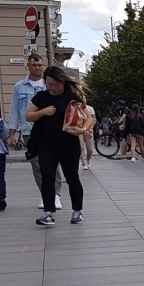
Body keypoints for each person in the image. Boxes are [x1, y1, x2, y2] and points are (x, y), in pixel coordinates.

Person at [26, 65, 87, 226]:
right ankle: (49, 213)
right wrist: (42, 112)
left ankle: (77, 211)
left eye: (56, 84)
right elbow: (28, 116)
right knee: (47, 177)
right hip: (46, 145)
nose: (53, 87)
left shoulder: (72, 98)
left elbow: (88, 118)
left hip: (69, 145)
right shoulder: (41, 97)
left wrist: (82, 130)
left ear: (63, 82)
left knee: (72, 177)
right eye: (49, 84)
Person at [7, 54, 61, 210]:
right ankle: (45, 194)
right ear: (28, 66)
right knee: (36, 165)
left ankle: (56, 195)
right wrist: (12, 133)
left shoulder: (49, 84)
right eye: (34, 65)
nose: (38, 68)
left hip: (49, 129)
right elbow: (15, 110)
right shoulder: (19, 86)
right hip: (28, 130)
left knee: (53, 162)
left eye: (40, 65)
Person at [78, 93, 97, 170]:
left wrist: (91, 127)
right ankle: (84, 163)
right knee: (81, 147)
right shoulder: (77, 108)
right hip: (79, 129)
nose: (83, 99)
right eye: (81, 98)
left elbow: (94, 119)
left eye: (84, 98)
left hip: (88, 129)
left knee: (90, 149)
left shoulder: (90, 108)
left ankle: (88, 159)